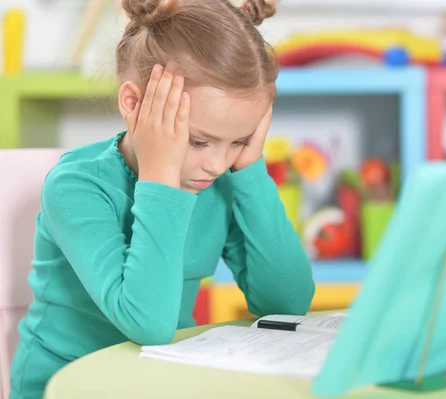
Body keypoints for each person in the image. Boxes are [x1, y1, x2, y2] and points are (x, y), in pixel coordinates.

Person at [9, 0, 315, 397]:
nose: (217, 164)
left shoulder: (222, 179)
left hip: (160, 380)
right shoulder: (76, 187)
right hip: (68, 385)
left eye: (238, 140)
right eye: (198, 141)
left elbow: (287, 302)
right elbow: (147, 323)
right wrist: (161, 180)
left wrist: (251, 170)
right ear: (134, 104)